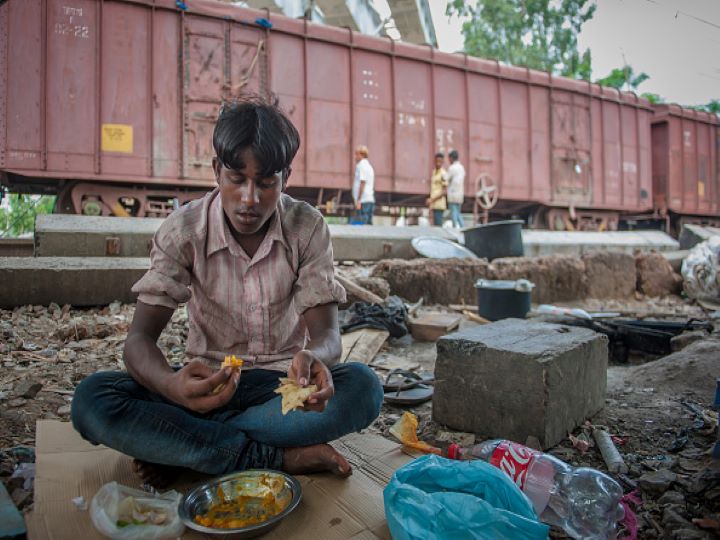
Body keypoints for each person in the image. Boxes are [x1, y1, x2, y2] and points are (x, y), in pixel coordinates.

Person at [71, 98, 383, 487]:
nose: (250, 198)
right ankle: (274, 457)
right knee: (93, 400)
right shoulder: (183, 230)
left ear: (285, 177)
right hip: (204, 390)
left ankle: (188, 449)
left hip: (280, 392)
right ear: (217, 170)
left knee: (364, 389)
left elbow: (328, 337)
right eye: (237, 178)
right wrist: (171, 386)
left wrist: (315, 357)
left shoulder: (306, 227)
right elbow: (138, 341)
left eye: (266, 182)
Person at [352, 145, 375, 225]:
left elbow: (362, 182)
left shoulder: (362, 166)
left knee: (363, 226)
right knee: (368, 227)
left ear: (361, 155)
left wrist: (358, 200)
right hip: (368, 200)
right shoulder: (368, 166)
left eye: (356, 154)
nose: (355, 157)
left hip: (363, 201)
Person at [444, 149, 466, 228]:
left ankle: (457, 228)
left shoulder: (452, 168)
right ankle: (462, 227)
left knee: (454, 213)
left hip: (453, 194)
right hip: (460, 194)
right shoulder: (462, 168)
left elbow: (446, 178)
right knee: (457, 212)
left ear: (451, 158)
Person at [426, 152, 447, 226]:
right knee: (433, 226)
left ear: (443, 162)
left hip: (439, 205)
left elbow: (444, 191)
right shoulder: (434, 172)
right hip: (433, 205)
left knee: (438, 226)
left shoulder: (443, 174)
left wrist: (432, 200)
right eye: (437, 161)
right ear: (434, 161)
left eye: (440, 162)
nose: (438, 163)